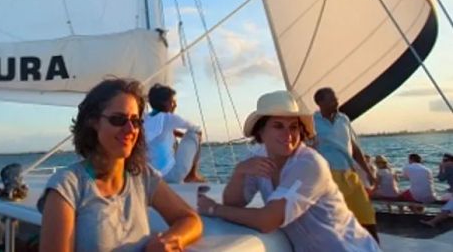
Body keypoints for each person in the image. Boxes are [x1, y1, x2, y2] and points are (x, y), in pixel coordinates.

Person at [197, 90, 379, 252]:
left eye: (293, 127)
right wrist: (239, 171)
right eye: (278, 126)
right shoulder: (257, 157)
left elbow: (267, 221)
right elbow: (234, 202)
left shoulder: (309, 164)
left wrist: (214, 209)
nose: (288, 135)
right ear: (261, 131)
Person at [38, 78, 202, 251]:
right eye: (118, 120)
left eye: (136, 121)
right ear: (93, 122)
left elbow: (190, 219)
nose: (130, 129)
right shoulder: (67, 188)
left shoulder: (142, 176)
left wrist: (169, 240)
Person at [312, 87, 378, 240]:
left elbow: (354, 148)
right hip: (329, 176)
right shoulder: (312, 122)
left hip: (350, 174)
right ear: (320, 102)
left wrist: (368, 172)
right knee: (337, 220)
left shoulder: (344, 119)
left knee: (367, 215)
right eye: (332, 99)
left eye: (336, 98)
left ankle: (374, 248)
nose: (337, 101)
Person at [144, 83, 205, 183]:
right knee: (196, 133)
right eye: (172, 101)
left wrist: (180, 135)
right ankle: (191, 175)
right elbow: (196, 128)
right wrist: (188, 137)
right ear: (164, 103)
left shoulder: (145, 118)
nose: (175, 104)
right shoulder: (169, 118)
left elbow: (162, 131)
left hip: (150, 176)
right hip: (172, 176)